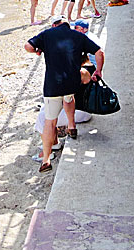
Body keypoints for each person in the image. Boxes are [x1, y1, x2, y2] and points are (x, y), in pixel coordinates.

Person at [25, 18, 104, 172]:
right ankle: (71, 126)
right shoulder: (78, 37)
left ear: (54, 26)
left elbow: (28, 46)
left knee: (49, 121)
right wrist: (99, 70)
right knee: (69, 97)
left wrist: (36, 51)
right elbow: (99, 51)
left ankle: (46, 159)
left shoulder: (47, 34)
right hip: (71, 84)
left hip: (53, 86)